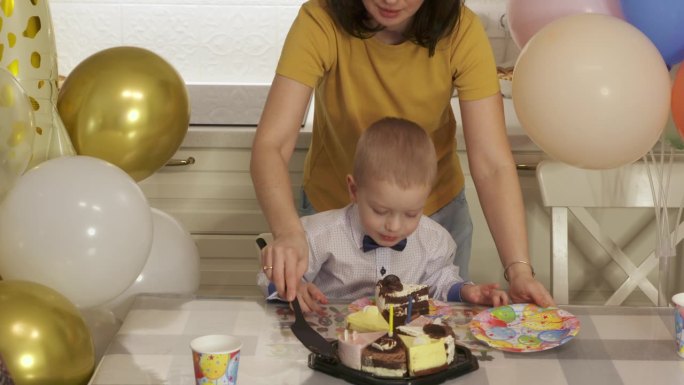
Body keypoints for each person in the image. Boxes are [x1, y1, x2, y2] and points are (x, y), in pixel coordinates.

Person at [251, 0, 554, 307]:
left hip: (435, 211)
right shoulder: (320, 20)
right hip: (333, 208)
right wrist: (289, 233)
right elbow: (271, 145)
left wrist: (519, 270)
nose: (391, 0)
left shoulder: (461, 30)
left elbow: (493, 164)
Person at [260, 118, 508, 312]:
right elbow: (269, 275)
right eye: (380, 211)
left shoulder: (435, 240)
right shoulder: (318, 235)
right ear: (354, 190)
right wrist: (292, 287)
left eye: (411, 214)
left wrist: (467, 292)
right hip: (328, 345)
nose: (394, 226)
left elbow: (440, 283)